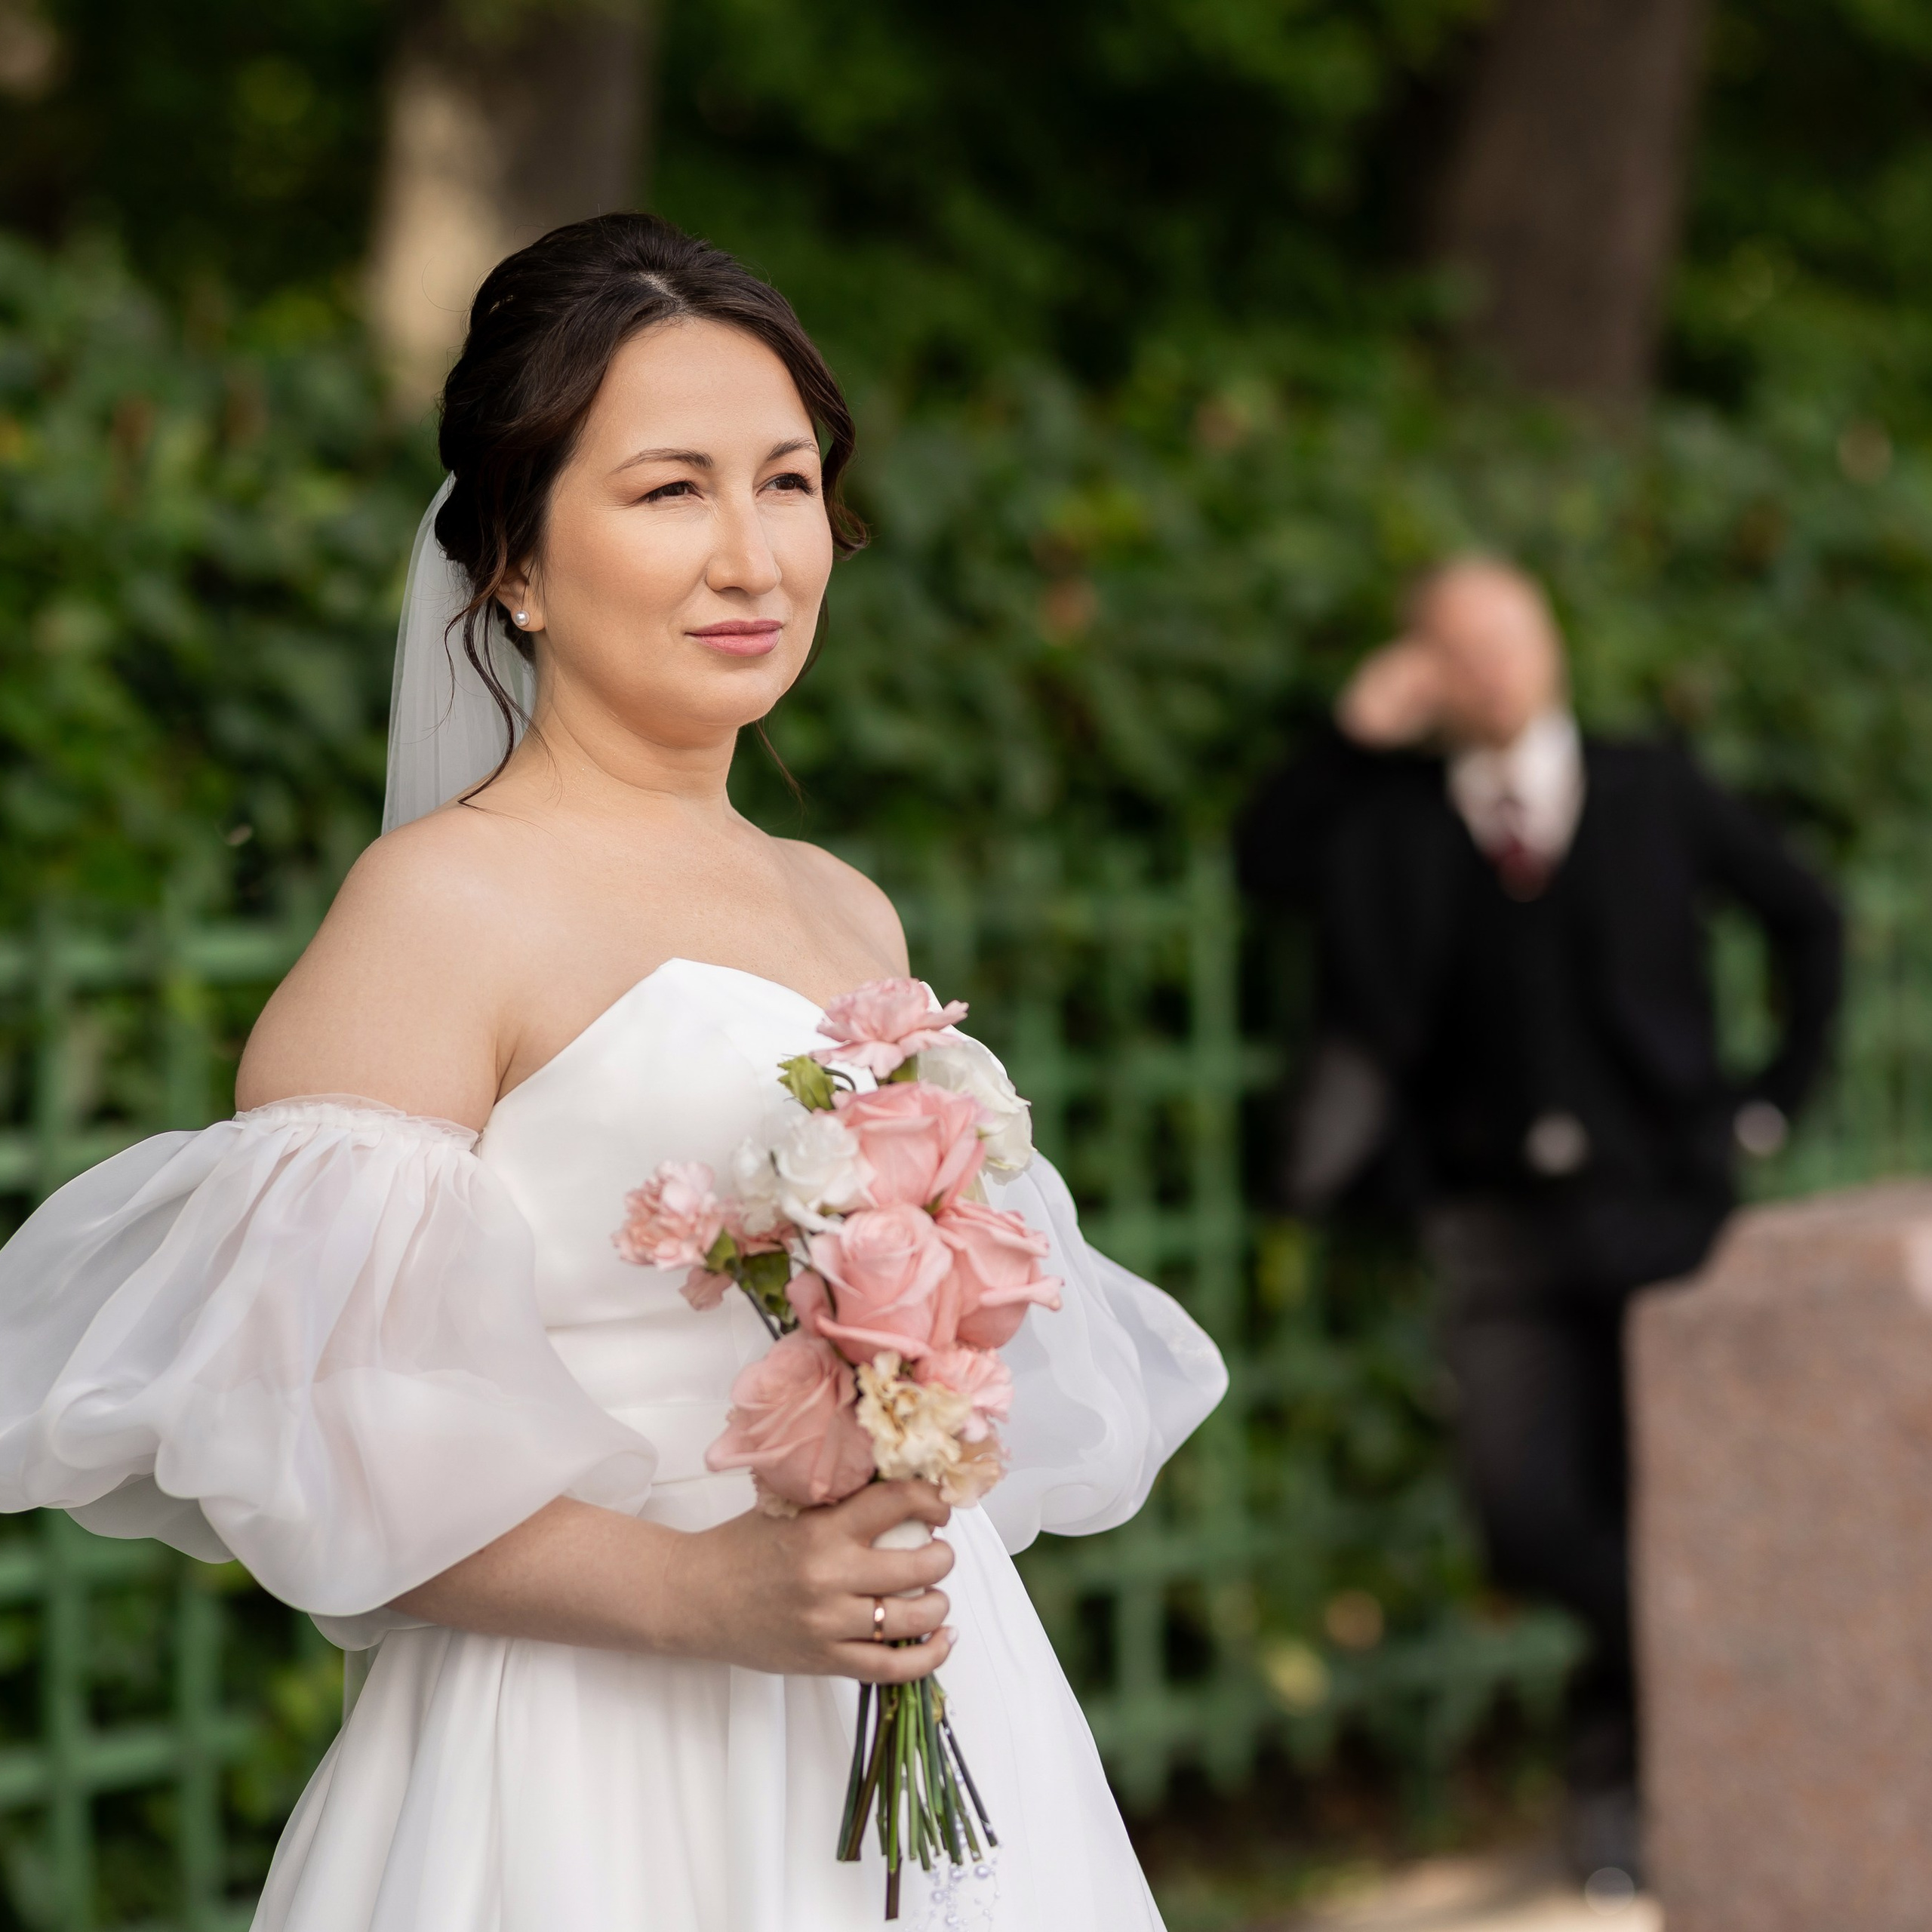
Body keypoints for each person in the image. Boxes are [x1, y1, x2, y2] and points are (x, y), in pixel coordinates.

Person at [0, 215, 1227, 1931]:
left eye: (786, 483)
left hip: (931, 1729)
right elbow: (309, 1416)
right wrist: (706, 1590)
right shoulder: (440, 906)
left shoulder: (839, 899)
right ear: (511, 558)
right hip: (582, 1763)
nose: (752, 557)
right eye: (670, 492)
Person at [1237, 558, 1842, 1881]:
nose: (1499, 668)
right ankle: (1708, 1683)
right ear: (1427, 674)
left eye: (1514, 638)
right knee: (1526, 1514)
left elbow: (1810, 917)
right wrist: (1351, 735)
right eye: (1464, 649)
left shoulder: (1652, 787)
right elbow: (1266, 863)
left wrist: (1767, 1107)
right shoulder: (1395, 820)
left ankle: (1621, 1808)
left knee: (1663, 1497)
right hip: (1489, 1224)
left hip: (1664, 1209)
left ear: (1554, 645)